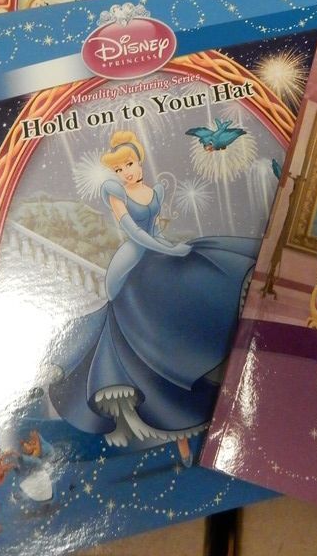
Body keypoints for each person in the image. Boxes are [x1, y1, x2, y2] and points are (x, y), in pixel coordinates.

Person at [48, 130, 259, 467]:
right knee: (148, 327)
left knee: (202, 268)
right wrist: (168, 249)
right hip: (131, 263)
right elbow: (135, 234)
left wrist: (169, 244)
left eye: (129, 165)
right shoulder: (116, 195)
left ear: (139, 161)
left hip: (159, 252)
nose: (126, 173)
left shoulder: (154, 189)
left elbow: (155, 226)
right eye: (119, 169)